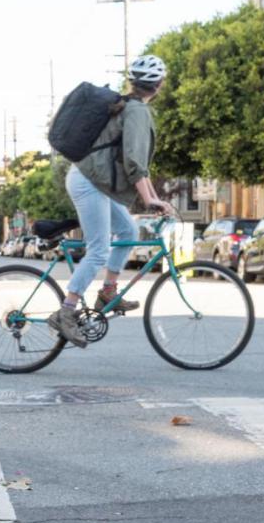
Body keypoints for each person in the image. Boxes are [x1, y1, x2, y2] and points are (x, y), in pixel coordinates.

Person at [48, 55, 173, 348]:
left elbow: (133, 162)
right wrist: (150, 199)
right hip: (88, 182)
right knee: (99, 249)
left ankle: (108, 291)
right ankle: (66, 312)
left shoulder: (129, 107)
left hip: (95, 181)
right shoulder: (137, 111)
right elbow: (134, 162)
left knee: (128, 231)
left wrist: (151, 197)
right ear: (159, 85)